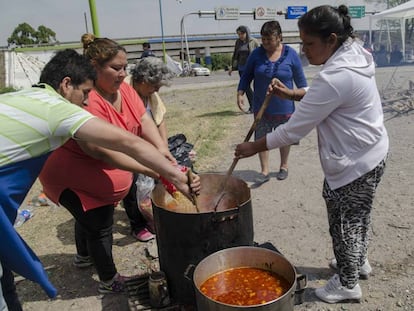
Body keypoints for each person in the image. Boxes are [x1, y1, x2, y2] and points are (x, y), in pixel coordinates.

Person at [0, 49, 199, 310]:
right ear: (66, 84)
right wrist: (176, 175)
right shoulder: (58, 108)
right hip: (65, 180)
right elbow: (128, 143)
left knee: (6, 280)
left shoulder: (25, 96)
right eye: (84, 94)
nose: (86, 103)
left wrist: (166, 163)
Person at [235, 5, 388, 304]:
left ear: (331, 39)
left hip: (354, 163)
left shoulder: (336, 76)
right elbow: (324, 95)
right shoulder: (354, 53)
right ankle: (358, 262)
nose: (303, 50)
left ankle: (347, 283)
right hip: (372, 152)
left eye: (309, 43)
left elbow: (292, 131)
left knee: (344, 222)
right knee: (359, 217)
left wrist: (252, 146)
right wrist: (291, 94)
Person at [237, 20, 308, 183]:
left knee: (285, 137)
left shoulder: (290, 55)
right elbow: (247, 75)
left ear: (280, 37)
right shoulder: (256, 54)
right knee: (262, 138)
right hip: (261, 105)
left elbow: (302, 83)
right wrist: (240, 92)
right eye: (263, 39)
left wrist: (299, 95)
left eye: (270, 39)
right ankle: (264, 170)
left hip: (284, 106)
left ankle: (284, 166)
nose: (266, 43)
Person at [123, 56, 175, 241]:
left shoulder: (150, 94)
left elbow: (159, 120)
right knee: (130, 184)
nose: (157, 90)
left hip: (146, 145)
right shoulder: (123, 91)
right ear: (143, 81)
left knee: (149, 184)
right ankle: (136, 225)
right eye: (155, 86)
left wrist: (164, 149)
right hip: (127, 145)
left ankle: (152, 216)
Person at [229, 25, 259, 113]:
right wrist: (233, 67)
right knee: (246, 87)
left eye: (242, 34)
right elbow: (235, 55)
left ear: (247, 33)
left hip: (253, 68)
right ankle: (253, 106)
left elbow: (261, 53)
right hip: (242, 68)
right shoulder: (238, 42)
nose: (240, 36)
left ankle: (259, 105)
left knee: (257, 86)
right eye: (239, 34)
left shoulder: (253, 41)